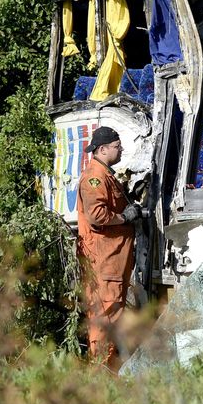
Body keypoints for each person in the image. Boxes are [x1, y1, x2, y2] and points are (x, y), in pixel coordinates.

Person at [76, 126, 141, 371]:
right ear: (102, 149)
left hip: (112, 261)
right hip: (104, 260)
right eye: (117, 145)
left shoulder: (106, 175)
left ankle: (108, 371)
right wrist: (125, 218)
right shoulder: (95, 177)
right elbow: (97, 215)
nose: (121, 148)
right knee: (106, 316)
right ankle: (102, 374)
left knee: (113, 315)